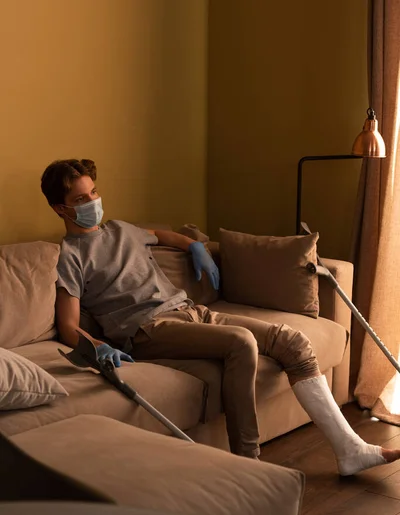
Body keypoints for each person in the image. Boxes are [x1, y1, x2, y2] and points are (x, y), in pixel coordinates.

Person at [41, 158, 400, 475]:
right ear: (61, 209)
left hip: (190, 312)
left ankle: (351, 450)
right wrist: (98, 346)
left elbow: (162, 235)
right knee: (241, 343)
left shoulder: (121, 229)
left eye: (94, 193)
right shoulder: (70, 256)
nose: (92, 203)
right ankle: (248, 462)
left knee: (292, 341)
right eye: (80, 200)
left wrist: (195, 246)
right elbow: (69, 326)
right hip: (148, 329)